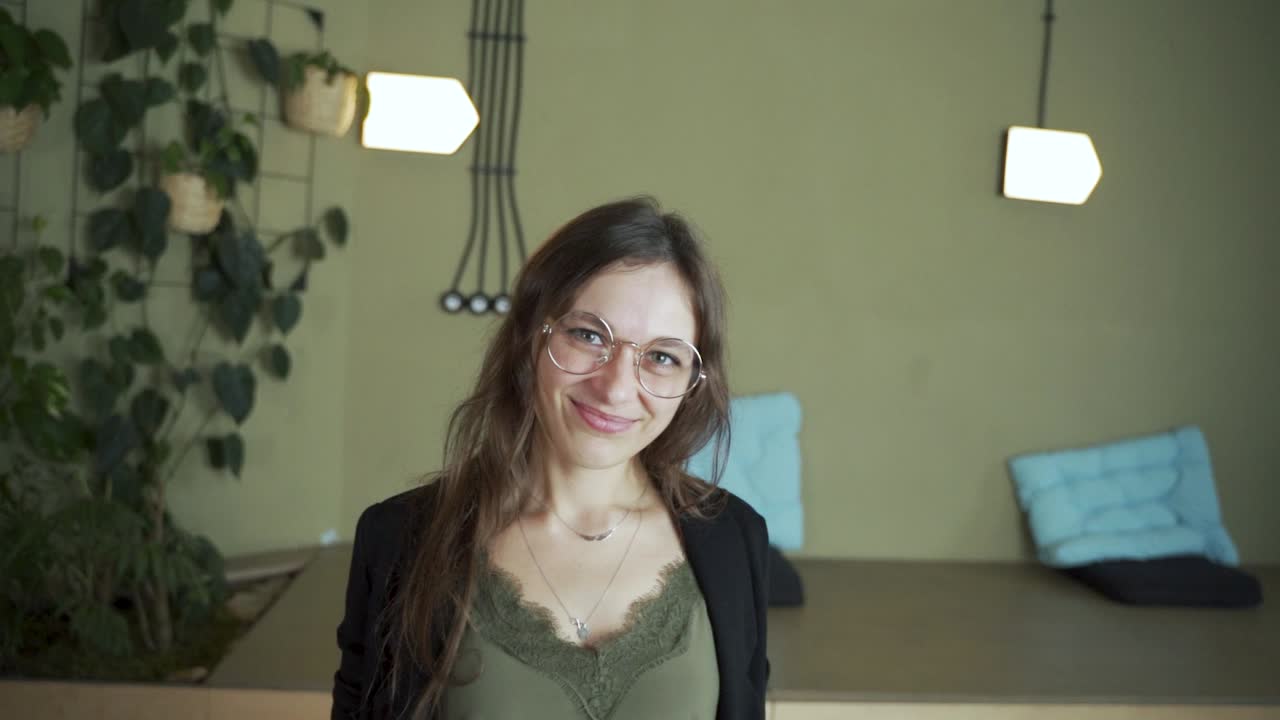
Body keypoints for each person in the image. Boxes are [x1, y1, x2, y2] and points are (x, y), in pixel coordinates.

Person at [332, 197, 770, 720]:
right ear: (531, 337)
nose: (615, 387)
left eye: (661, 357)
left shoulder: (735, 540)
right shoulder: (398, 540)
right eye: (589, 335)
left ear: (692, 384)